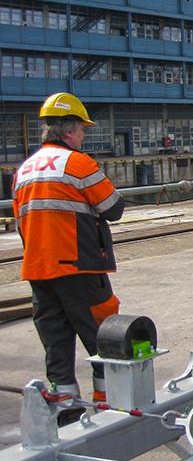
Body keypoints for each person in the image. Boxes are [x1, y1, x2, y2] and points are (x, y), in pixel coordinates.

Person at [12, 93, 124, 423]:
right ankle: (108, 404)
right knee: (103, 337)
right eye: (82, 130)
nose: (84, 136)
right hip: (79, 267)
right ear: (71, 130)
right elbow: (113, 208)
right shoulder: (78, 163)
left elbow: (22, 221)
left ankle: (65, 406)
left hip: (38, 270)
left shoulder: (24, 170)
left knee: (56, 341)